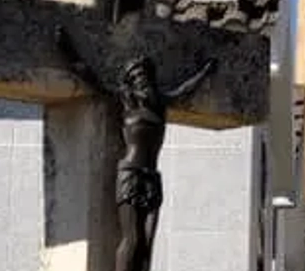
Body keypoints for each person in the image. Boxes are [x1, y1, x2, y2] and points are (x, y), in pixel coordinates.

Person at [57, 27, 217, 271]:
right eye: (138, 76)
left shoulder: (162, 102)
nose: (144, 80)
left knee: (148, 241)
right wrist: (67, 49)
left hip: (152, 176)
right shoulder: (126, 102)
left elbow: (186, 89)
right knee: (132, 238)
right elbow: (90, 76)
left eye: (147, 75)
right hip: (130, 173)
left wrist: (206, 72)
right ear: (131, 81)